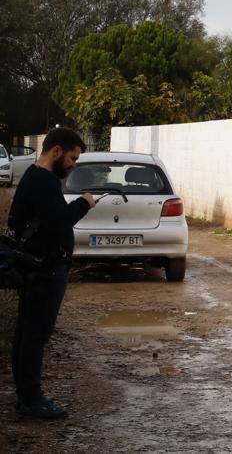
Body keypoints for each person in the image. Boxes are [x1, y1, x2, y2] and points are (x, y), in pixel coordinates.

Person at [7, 128, 96, 419]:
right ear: (56, 151)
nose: (73, 164)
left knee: (27, 335)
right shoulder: (44, 182)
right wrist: (84, 202)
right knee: (34, 337)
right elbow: (60, 221)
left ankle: (26, 395)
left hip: (36, 268)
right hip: (43, 272)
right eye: (72, 157)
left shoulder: (33, 178)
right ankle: (32, 401)